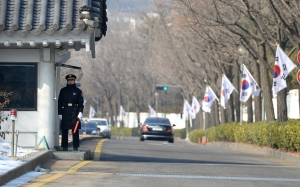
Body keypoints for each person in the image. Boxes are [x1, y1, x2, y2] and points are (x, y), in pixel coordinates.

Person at [58, 74, 84, 151]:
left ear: (74, 81)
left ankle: (75, 146)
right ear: (67, 81)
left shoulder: (78, 91)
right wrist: (59, 113)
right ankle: (64, 146)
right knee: (64, 129)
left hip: (74, 111)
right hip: (65, 110)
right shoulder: (63, 91)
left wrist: (80, 112)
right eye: (69, 80)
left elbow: (81, 103)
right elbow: (59, 102)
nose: (70, 82)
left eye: (72, 80)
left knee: (75, 129)